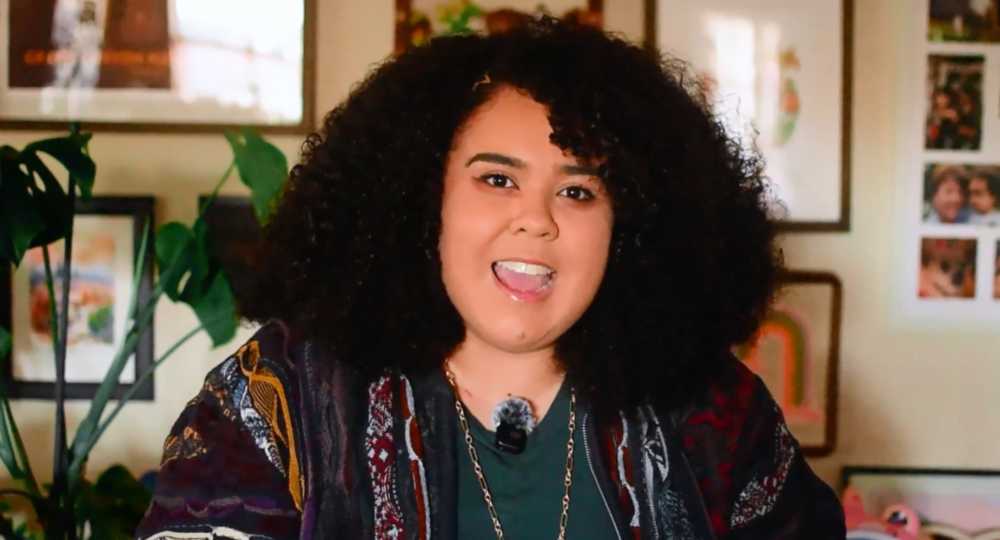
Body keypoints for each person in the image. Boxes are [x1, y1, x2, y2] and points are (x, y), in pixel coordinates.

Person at [135, 17, 846, 540]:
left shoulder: (714, 411)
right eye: (497, 179)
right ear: (424, 201)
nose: (536, 220)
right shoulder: (280, 400)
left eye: (578, 191)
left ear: (630, 227)